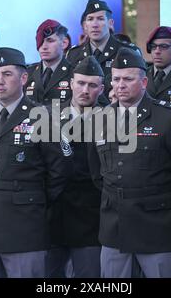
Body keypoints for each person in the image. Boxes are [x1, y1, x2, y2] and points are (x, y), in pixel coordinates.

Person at [88, 48, 171, 278]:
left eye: (128, 79)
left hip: (159, 228)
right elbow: (98, 174)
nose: (120, 85)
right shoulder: (100, 118)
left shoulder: (167, 118)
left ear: (144, 81)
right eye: (116, 79)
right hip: (116, 228)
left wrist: (168, 208)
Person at [0, 47, 69, 278]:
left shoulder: (41, 116)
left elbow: (58, 170)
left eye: (7, 74)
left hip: (24, 223)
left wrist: (33, 199)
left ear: (23, 78)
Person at [46, 56, 106, 278]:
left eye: (92, 85)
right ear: (71, 83)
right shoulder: (49, 116)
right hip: (54, 216)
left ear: (101, 88)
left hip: (91, 218)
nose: (85, 90)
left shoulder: (113, 118)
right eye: (80, 83)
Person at [67, 0, 141, 99]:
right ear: (85, 26)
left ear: (110, 23)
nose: (95, 24)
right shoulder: (74, 54)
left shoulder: (128, 52)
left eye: (100, 19)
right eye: (90, 19)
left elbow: (137, 89)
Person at [25, 20, 74, 105]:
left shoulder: (75, 73)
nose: (44, 47)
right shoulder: (28, 73)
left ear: (64, 43)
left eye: (50, 41)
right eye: (40, 41)